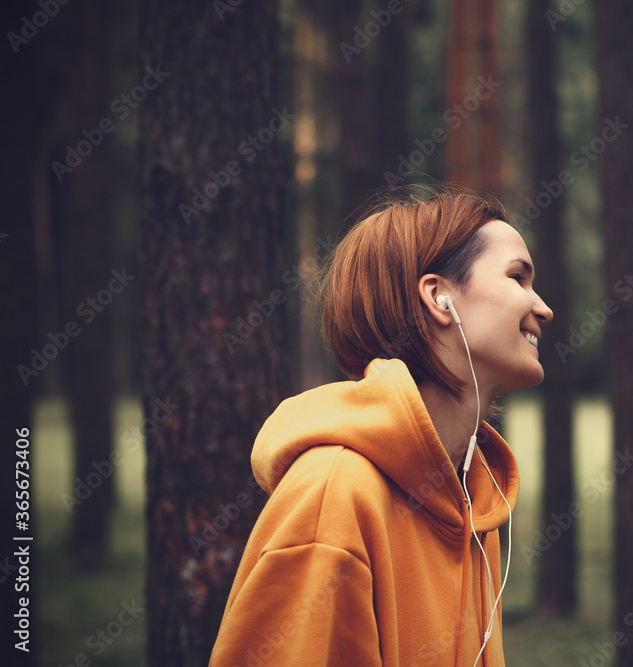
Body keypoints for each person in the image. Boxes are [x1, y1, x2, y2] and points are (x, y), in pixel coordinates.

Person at [209, 190, 553, 666]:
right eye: (518, 277)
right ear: (439, 297)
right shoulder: (333, 494)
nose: (544, 308)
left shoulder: (475, 506)